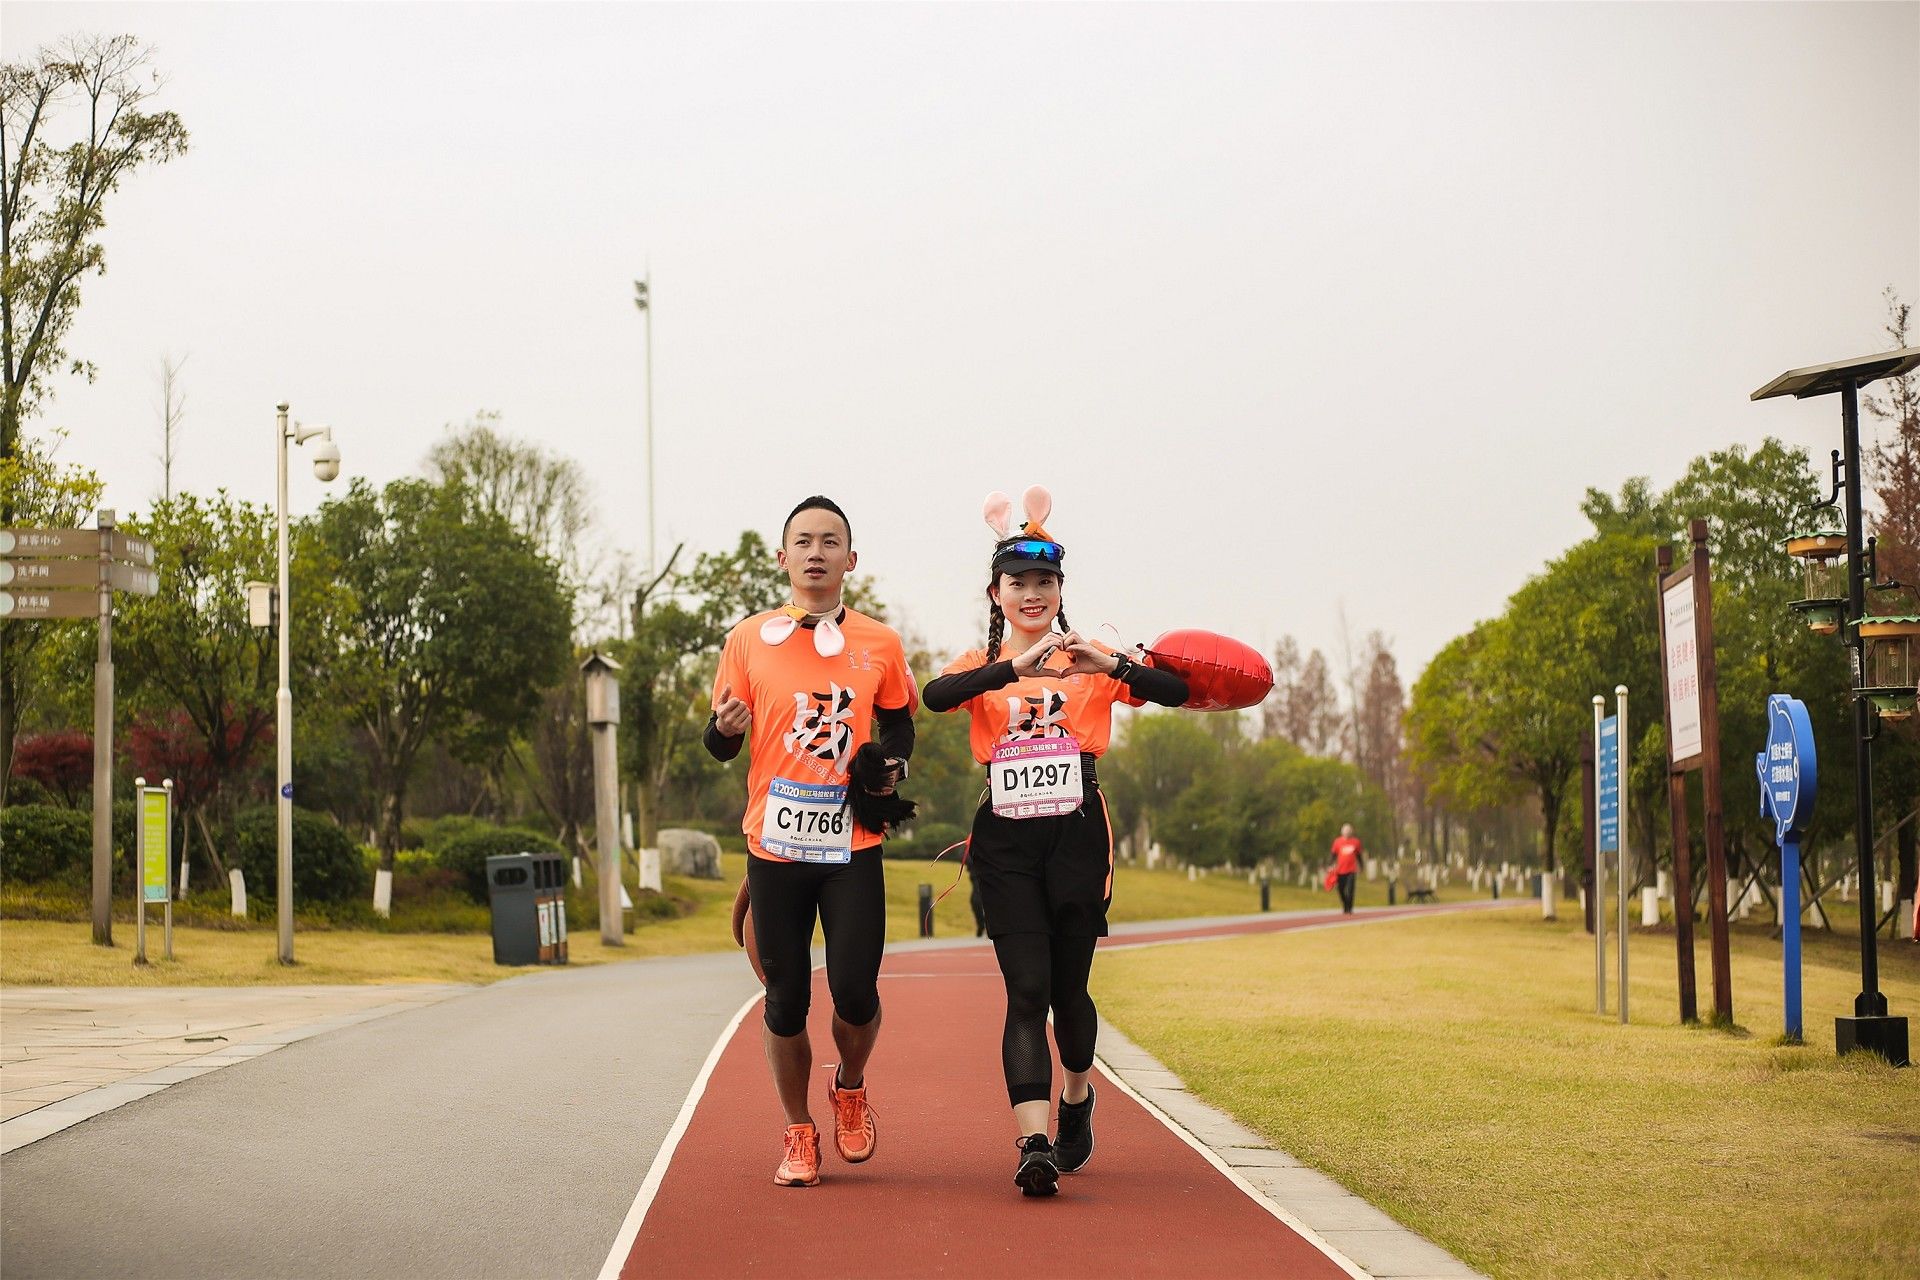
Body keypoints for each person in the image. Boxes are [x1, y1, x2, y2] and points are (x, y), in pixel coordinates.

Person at [922, 487, 1189, 1197]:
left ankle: (1077, 1098)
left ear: (1060, 589)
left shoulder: (1090, 657)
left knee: (1069, 990)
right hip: (1005, 839)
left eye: (1045, 583)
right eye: (1019, 583)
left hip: (1076, 833)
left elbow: (1175, 689)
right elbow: (935, 697)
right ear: (997, 592)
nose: (1032, 594)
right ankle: (1035, 1141)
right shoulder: (981, 662)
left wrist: (1113, 667)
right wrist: (1014, 666)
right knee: (1026, 989)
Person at [705, 496, 918, 1188]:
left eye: (831, 541)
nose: (817, 552)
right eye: (804, 541)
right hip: (776, 847)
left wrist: (892, 767)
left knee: (856, 992)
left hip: (853, 845)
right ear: (783, 558)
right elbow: (718, 742)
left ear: (850, 560)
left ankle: (849, 1085)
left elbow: (901, 728)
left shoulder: (880, 644)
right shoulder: (746, 640)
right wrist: (728, 730)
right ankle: (798, 1129)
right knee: (785, 998)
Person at [1329, 823, 1364, 914]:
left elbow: (1359, 856)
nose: (1347, 832)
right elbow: (1333, 855)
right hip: (1340, 870)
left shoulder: (1356, 842)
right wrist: (1330, 865)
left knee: (1350, 889)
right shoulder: (1337, 842)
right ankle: (1345, 904)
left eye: (1348, 831)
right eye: (1345, 831)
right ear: (1342, 832)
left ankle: (1350, 907)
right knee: (1340, 889)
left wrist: (1361, 866)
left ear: (1351, 832)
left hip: (1351, 870)